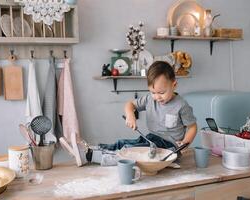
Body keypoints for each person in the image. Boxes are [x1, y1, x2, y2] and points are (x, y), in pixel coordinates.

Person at [60, 61, 197, 166]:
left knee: (129, 151)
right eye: (153, 92)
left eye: (161, 93)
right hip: (151, 139)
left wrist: (185, 143)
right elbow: (129, 105)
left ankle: (90, 157)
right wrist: (131, 115)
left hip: (168, 148)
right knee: (123, 143)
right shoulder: (150, 99)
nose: (157, 97)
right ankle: (88, 149)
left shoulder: (181, 105)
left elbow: (192, 127)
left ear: (174, 85)